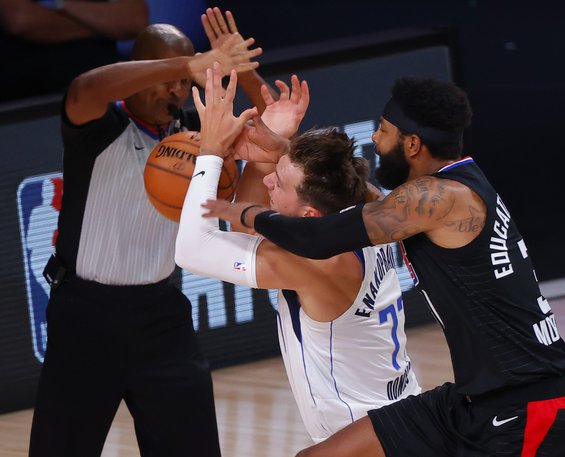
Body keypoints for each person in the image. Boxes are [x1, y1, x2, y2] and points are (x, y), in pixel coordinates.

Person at [203, 76, 565, 456]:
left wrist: (244, 214)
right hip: (475, 403)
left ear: (412, 143)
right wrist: (286, 152)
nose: (374, 139)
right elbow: (358, 196)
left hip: (529, 413)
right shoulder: (454, 185)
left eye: (384, 131)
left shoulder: (440, 198)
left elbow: (318, 237)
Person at [28, 9, 269, 456]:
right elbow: (86, 87)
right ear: (140, 69)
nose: (176, 90)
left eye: (184, 83)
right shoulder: (98, 128)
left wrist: (245, 74)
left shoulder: (197, 134)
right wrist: (188, 64)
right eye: (166, 77)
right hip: (86, 316)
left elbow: (276, 131)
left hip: (161, 316)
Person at [174, 64, 421, 443]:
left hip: (370, 438)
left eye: (280, 180)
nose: (269, 178)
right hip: (403, 416)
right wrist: (273, 145)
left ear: (309, 216)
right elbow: (248, 226)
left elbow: (192, 248)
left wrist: (209, 152)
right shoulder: (373, 211)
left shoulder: (314, 261)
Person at [0, 0, 147, 105]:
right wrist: (104, 24)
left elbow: (134, 20)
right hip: (11, 111)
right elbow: (19, 20)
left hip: (97, 102)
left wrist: (57, 4)